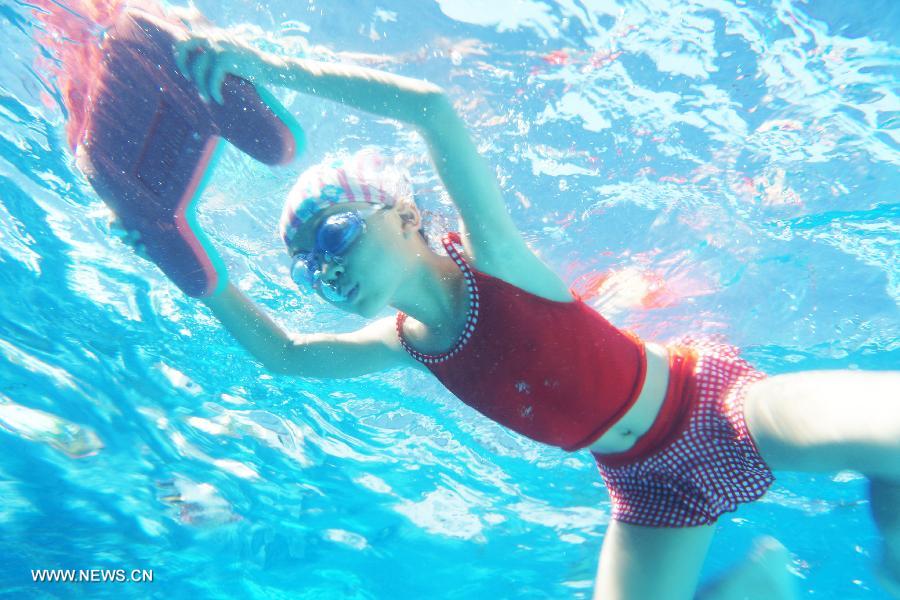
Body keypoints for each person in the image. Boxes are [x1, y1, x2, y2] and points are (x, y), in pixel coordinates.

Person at [110, 20, 900, 600]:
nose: (329, 267)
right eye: (311, 265)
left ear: (407, 214)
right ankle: (766, 579)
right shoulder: (407, 341)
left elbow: (431, 108)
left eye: (339, 233)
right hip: (647, 487)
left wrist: (262, 61)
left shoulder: (493, 264)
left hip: (718, 408)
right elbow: (287, 356)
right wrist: (188, 263)